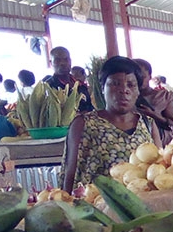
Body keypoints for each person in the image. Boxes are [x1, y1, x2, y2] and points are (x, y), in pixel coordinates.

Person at [62, 56, 161, 192]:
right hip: (96, 207)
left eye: (131, 85)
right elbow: (70, 175)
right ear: (103, 88)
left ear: (137, 91)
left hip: (142, 207)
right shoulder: (84, 124)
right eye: (115, 83)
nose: (124, 90)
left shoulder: (147, 124)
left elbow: (159, 168)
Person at [134, 58, 173, 147]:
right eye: (136, 77)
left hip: (162, 143)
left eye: (142, 77)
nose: (139, 81)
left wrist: (153, 114)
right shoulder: (128, 98)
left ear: (150, 76)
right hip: (139, 145)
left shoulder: (163, 96)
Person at [44, 46, 94, 112]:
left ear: (70, 61)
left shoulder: (80, 85)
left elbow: (90, 107)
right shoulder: (48, 87)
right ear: (51, 63)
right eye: (57, 60)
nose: (63, 63)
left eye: (66, 59)